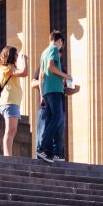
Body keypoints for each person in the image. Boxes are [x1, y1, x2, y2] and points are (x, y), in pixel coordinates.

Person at [38, 31, 72, 163]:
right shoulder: (52, 49)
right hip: (54, 90)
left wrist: (42, 94)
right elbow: (50, 66)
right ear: (59, 41)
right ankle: (42, 148)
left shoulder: (43, 53)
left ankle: (46, 151)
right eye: (61, 44)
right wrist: (65, 76)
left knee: (50, 120)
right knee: (57, 118)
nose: (61, 47)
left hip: (47, 90)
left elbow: (41, 75)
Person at [0, 45, 28, 156]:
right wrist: (25, 61)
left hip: (13, 102)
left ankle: (8, 154)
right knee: (10, 131)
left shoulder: (10, 68)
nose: (17, 57)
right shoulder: (7, 68)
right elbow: (24, 73)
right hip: (9, 101)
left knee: (12, 131)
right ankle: (7, 155)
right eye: (16, 55)